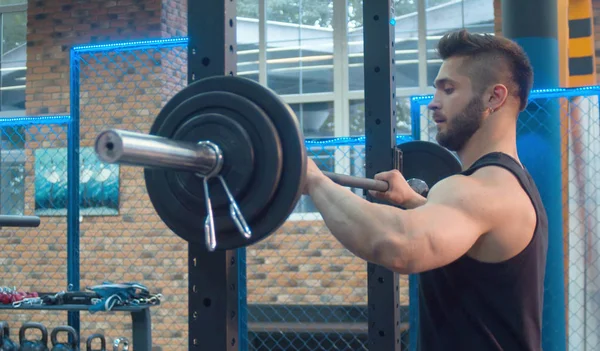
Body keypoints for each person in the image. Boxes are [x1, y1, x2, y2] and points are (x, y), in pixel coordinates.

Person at [303, 29, 548, 351]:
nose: (433, 103)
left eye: (449, 90)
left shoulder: (482, 188)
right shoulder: (510, 184)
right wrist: (413, 201)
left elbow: (398, 244)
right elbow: (468, 232)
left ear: (494, 97)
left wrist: (312, 179)